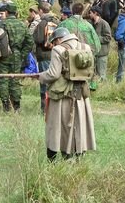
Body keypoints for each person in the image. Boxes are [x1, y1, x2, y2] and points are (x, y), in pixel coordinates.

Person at [39, 28, 96, 161]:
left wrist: (41, 76)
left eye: (54, 42)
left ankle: (54, 156)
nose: (53, 45)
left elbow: (53, 74)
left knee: (57, 127)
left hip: (62, 95)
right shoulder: (85, 47)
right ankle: (78, 154)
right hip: (80, 94)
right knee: (79, 123)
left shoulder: (58, 50)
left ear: (58, 39)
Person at [0, 2, 34, 112]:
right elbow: (30, 42)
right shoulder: (22, 25)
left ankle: (6, 104)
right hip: (17, 55)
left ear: (6, 12)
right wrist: (22, 54)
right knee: (15, 80)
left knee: (3, 80)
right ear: (16, 13)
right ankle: (16, 105)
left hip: (4, 56)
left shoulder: (1, 24)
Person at [33, 1, 60, 113]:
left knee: (44, 80)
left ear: (40, 11)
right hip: (56, 54)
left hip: (44, 55)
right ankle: (55, 106)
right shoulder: (57, 21)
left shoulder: (42, 23)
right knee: (55, 80)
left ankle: (44, 108)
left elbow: (38, 39)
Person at [89, 6, 111, 81]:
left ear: (95, 13)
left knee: (102, 76)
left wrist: (96, 38)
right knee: (94, 75)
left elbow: (108, 38)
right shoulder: (91, 23)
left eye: (91, 13)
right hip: (94, 53)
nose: (89, 14)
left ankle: (104, 91)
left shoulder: (104, 24)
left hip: (102, 54)